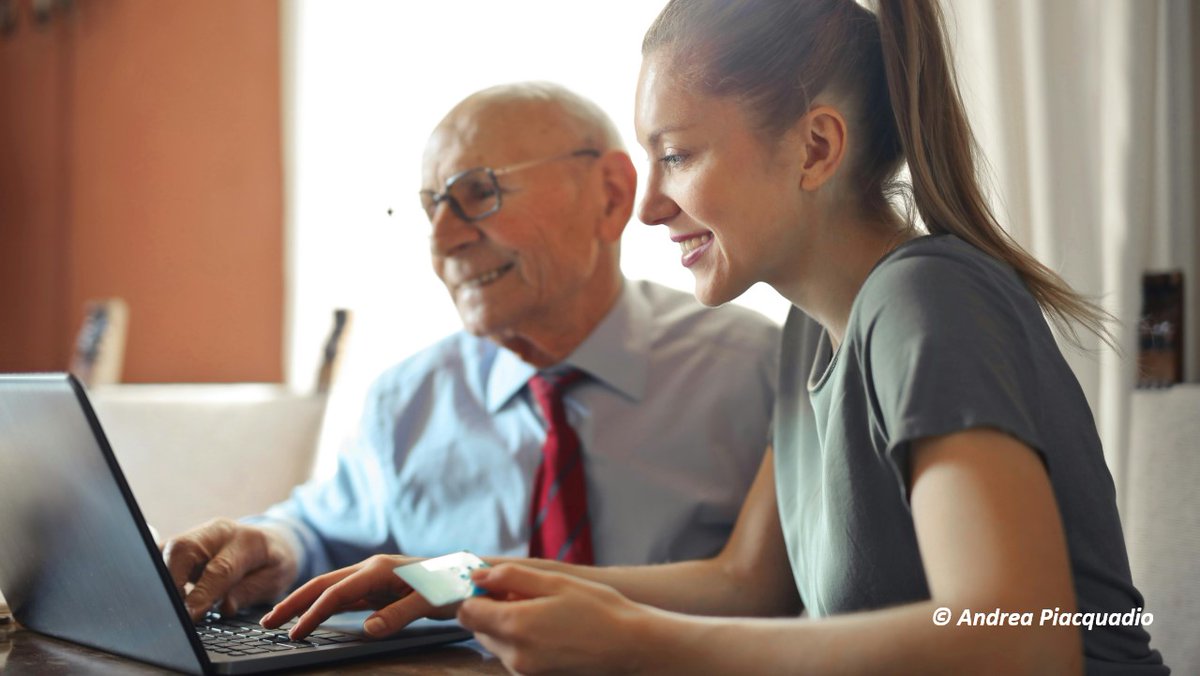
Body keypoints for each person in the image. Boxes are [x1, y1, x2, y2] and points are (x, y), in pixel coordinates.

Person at [262, 1, 1170, 674]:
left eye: (679, 155)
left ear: (816, 149)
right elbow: (748, 583)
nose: (650, 206)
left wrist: (633, 642)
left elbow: (1020, 637)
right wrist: (458, 578)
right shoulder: (810, 336)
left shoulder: (927, 301)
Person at [162, 82, 780, 625]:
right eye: (432, 207)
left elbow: (777, 593)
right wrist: (272, 545)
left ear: (612, 195)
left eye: (477, 193)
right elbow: (322, 531)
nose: (443, 241)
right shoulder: (408, 397)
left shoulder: (754, 368)